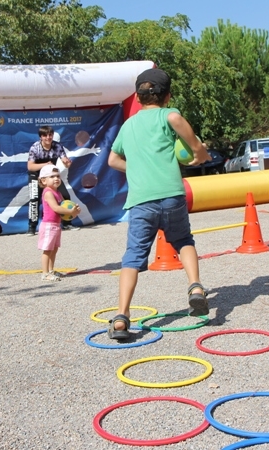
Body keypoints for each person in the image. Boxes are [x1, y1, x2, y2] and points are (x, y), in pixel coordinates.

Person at [106, 67, 212, 340]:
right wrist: (199, 153)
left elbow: (113, 160)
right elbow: (179, 122)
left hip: (142, 201)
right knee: (183, 240)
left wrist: (137, 168)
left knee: (133, 256)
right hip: (172, 195)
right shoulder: (169, 115)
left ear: (137, 97)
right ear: (168, 96)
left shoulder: (128, 126)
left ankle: (121, 317)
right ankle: (195, 287)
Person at [27, 127, 75, 235]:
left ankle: (67, 223)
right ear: (41, 137)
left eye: (50, 135)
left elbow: (65, 160)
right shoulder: (35, 147)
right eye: (45, 135)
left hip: (51, 175)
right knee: (34, 200)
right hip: (36, 176)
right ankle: (32, 227)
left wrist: (67, 163)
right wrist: (45, 164)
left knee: (65, 195)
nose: (48, 137)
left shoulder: (57, 146)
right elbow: (30, 167)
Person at [37, 164, 79, 281]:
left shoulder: (58, 192)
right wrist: (70, 211)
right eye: (52, 176)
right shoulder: (48, 192)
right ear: (43, 181)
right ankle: (45, 273)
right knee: (47, 250)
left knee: (54, 249)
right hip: (48, 225)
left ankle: (51, 270)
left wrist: (74, 212)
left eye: (58, 176)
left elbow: (64, 208)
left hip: (56, 225)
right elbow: (56, 208)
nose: (56, 179)